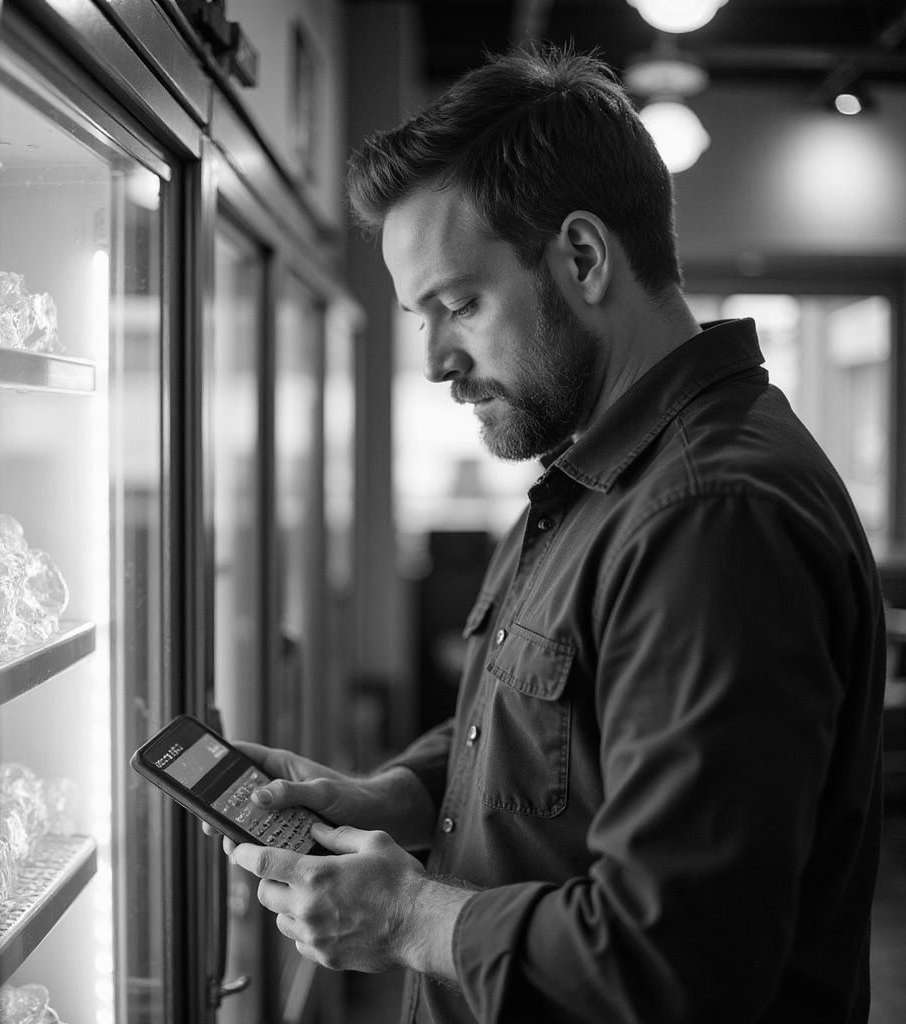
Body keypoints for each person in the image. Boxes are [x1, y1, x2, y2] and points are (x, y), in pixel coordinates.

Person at [219, 47, 886, 1023]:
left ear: (581, 257)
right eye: (420, 318)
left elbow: (678, 964)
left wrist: (409, 919)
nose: (438, 360)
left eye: (458, 304)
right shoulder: (607, 477)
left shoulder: (708, 518)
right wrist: (398, 794)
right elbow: (568, 726)